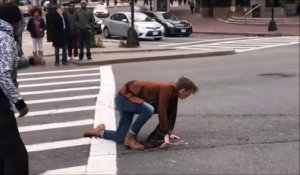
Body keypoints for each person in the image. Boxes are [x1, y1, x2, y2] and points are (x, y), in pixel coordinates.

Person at [83, 77, 198, 150]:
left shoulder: (173, 95)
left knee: (119, 137)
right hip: (125, 98)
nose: (188, 97)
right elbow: (162, 110)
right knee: (149, 109)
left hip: (132, 100)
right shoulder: (168, 88)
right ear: (183, 90)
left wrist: (167, 132)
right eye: (189, 94)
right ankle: (131, 137)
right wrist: (165, 133)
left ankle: (99, 131)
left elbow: (170, 115)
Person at [0, 2, 45, 175]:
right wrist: (19, 103)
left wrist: (30, 61)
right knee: (15, 155)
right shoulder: (5, 38)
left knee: (4, 152)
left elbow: (9, 64)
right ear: (14, 21)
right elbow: (3, 74)